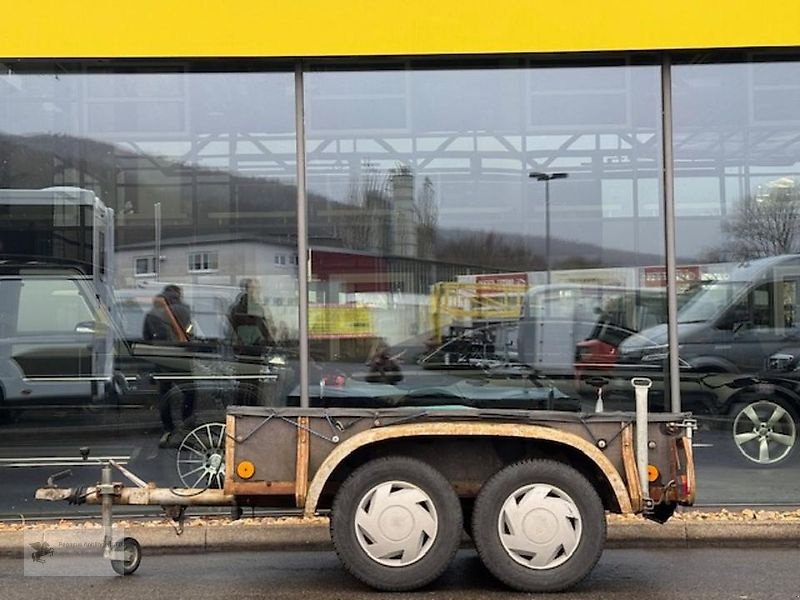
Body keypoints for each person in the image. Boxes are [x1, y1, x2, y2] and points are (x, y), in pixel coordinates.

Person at [143, 285, 196, 447]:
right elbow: (190, 333)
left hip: (162, 359)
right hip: (181, 358)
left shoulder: (152, 313)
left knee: (165, 395)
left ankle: (168, 428)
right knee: (190, 392)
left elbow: (146, 338)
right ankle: (186, 426)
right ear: (178, 295)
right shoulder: (184, 310)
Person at [228, 278, 274, 346]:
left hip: (260, 346)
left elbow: (269, 328)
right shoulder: (235, 309)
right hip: (240, 348)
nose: (254, 291)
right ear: (246, 290)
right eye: (251, 288)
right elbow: (230, 330)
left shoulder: (263, 308)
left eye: (256, 288)